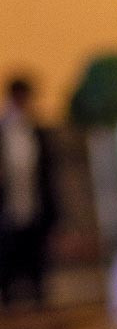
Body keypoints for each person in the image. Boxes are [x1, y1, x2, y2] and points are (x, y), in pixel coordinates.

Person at [0, 76, 58, 305]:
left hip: (35, 206)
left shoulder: (37, 131)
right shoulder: (4, 130)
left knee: (36, 263)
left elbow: (48, 175)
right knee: (7, 262)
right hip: (8, 208)